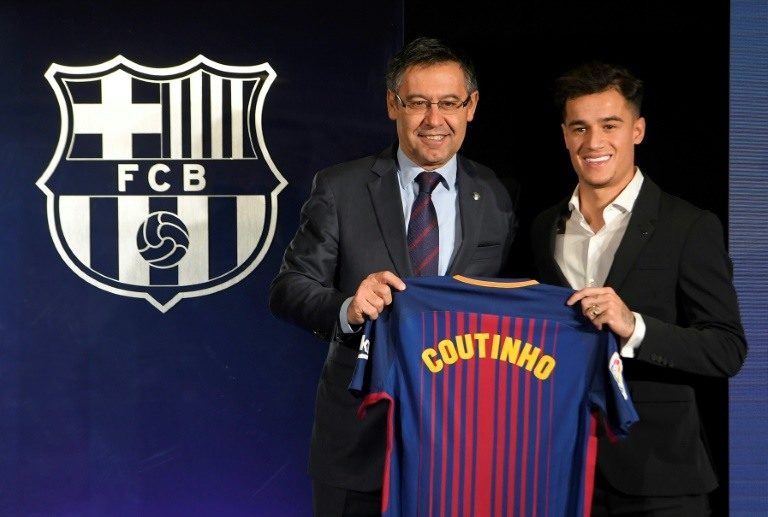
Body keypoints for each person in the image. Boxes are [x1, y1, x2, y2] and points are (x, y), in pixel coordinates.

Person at [268, 36, 518, 516]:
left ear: (471, 107)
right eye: (418, 103)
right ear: (392, 104)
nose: (434, 119)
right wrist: (348, 308)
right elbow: (288, 289)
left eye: (449, 103)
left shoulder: (496, 196)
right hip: (359, 442)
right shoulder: (340, 188)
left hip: (461, 445)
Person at [531, 61, 747, 516]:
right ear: (566, 136)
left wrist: (634, 327)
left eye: (610, 125)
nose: (594, 142)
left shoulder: (688, 226)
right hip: (560, 471)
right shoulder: (542, 227)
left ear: (638, 130)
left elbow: (726, 350)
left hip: (660, 478)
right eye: (580, 128)